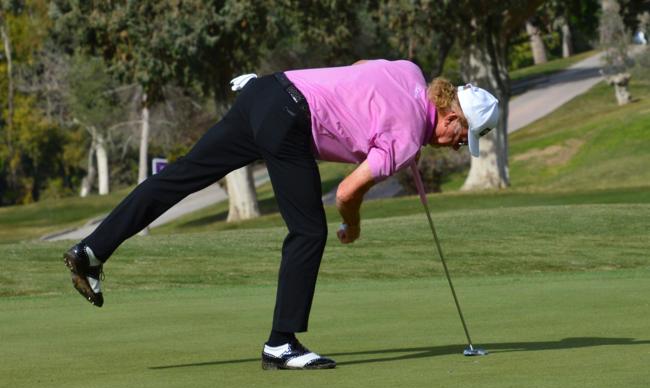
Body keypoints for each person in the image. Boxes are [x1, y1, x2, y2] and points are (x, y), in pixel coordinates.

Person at [63, 59, 499, 370]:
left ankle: (92, 250)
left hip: (265, 90)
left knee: (181, 177)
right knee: (311, 231)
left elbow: (361, 70)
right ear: (449, 116)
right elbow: (347, 191)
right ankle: (281, 344)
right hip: (291, 119)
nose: (460, 146)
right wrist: (353, 224)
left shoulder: (411, 72)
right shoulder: (404, 141)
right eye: (464, 138)